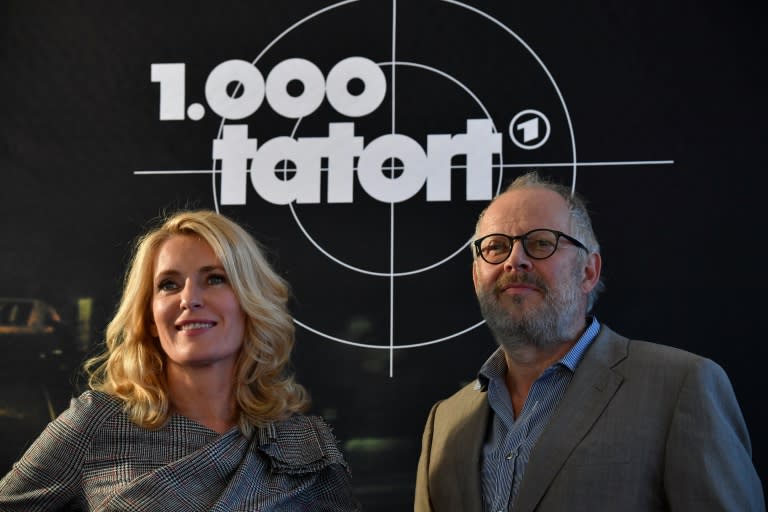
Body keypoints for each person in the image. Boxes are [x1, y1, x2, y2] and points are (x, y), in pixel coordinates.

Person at [414, 171, 764, 511]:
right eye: (495, 247)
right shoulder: (445, 422)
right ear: (477, 277)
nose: (514, 260)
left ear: (588, 271)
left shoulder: (681, 387)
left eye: (540, 243)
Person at [0, 210, 360, 511]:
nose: (190, 298)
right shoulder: (94, 422)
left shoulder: (306, 443)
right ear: (150, 319)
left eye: (215, 279)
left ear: (250, 305)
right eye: (169, 285)